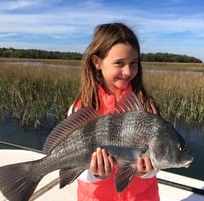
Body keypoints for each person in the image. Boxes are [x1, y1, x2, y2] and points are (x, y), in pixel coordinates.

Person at [68, 22, 161, 201]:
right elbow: (71, 165)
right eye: (119, 63)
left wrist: (147, 172)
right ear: (97, 62)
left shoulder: (146, 106)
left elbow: (156, 160)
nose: (127, 71)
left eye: (134, 63)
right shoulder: (82, 107)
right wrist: (95, 174)